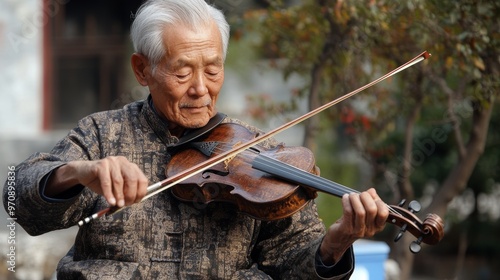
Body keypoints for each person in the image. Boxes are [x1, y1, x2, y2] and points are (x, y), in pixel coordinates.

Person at [4, 0, 388, 279]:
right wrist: (75, 172)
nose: (201, 90)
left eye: (213, 70)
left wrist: (337, 243)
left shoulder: (255, 151)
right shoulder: (101, 134)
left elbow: (293, 263)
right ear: (143, 69)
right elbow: (14, 197)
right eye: (182, 72)